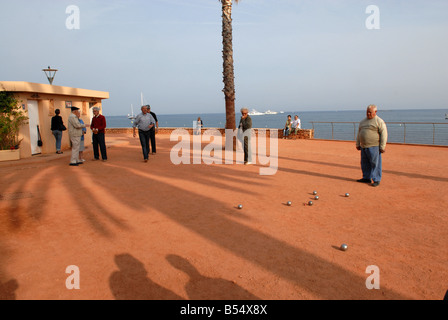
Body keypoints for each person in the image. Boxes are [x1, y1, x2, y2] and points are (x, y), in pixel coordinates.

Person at [356, 104, 388, 187]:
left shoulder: (379, 121)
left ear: (375, 112)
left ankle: (376, 179)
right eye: (367, 112)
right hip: (364, 146)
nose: (368, 114)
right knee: (364, 163)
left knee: (375, 164)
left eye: (370, 112)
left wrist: (382, 146)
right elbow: (359, 133)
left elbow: (384, 134)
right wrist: (358, 143)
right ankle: (366, 177)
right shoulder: (363, 121)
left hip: (374, 146)